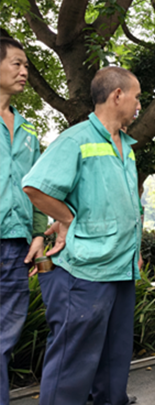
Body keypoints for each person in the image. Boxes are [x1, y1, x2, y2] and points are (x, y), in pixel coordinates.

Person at [23, 67, 142, 405]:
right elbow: (34, 186)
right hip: (85, 270)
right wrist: (67, 217)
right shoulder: (76, 139)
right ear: (117, 95)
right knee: (72, 367)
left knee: (113, 365)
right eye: (136, 96)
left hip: (121, 269)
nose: (138, 105)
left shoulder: (126, 147)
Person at [0, 37, 47, 405]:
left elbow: (37, 185)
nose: (24, 71)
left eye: (26, 66)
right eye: (16, 63)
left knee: (6, 333)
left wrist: (37, 234)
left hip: (17, 244)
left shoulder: (29, 129)